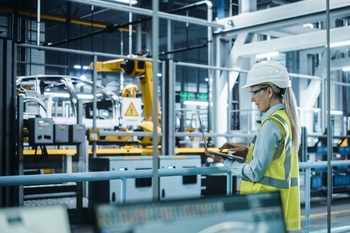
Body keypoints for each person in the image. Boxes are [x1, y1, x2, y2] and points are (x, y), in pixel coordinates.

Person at [205, 60, 301, 232]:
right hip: (281, 204)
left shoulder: (271, 124)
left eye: (255, 92)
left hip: (263, 205)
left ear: (269, 91)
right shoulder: (285, 118)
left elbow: (255, 172)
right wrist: (246, 152)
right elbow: (275, 159)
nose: (252, 99)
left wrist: (224, 161)